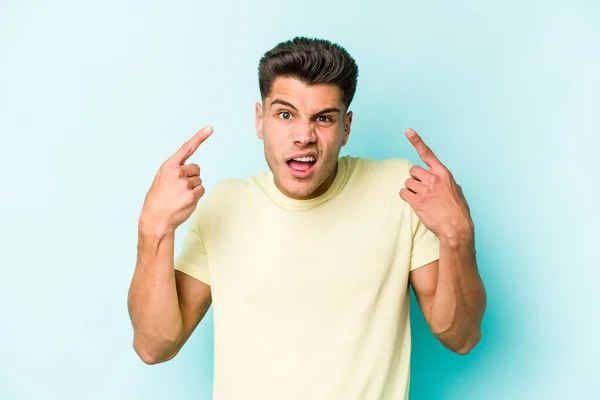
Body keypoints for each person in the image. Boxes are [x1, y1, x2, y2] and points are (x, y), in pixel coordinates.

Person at [127, 36, 487, 399]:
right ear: (260, 120)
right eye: (285, 114)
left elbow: (461, 335)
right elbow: (154, 346)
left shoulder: (399, 191)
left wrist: (458, 235)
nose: (304, 136)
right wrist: (153, 228)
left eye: (323, 119)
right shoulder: (224, 205)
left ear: (346, 128)